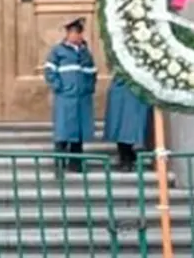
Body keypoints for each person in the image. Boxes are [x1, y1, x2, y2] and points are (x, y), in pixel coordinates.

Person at [43, 17, 97, 172]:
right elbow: (49, 71)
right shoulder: (58, 51)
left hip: (82, 98)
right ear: (67, 34)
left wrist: (89, 88)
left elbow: (92, 72)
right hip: (65, 98)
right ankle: (59, 163)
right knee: (63, 132)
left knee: (78, 133)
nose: (75, 35)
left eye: (78, 33)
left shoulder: (85, 53)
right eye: (72, 32)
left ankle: (76, 163)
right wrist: (59, 87)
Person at [102, 75, 151, 171]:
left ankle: (126, 156)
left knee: (125, 125)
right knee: (124, 125)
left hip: (131, 87)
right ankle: (125, 157)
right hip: (127, 86)